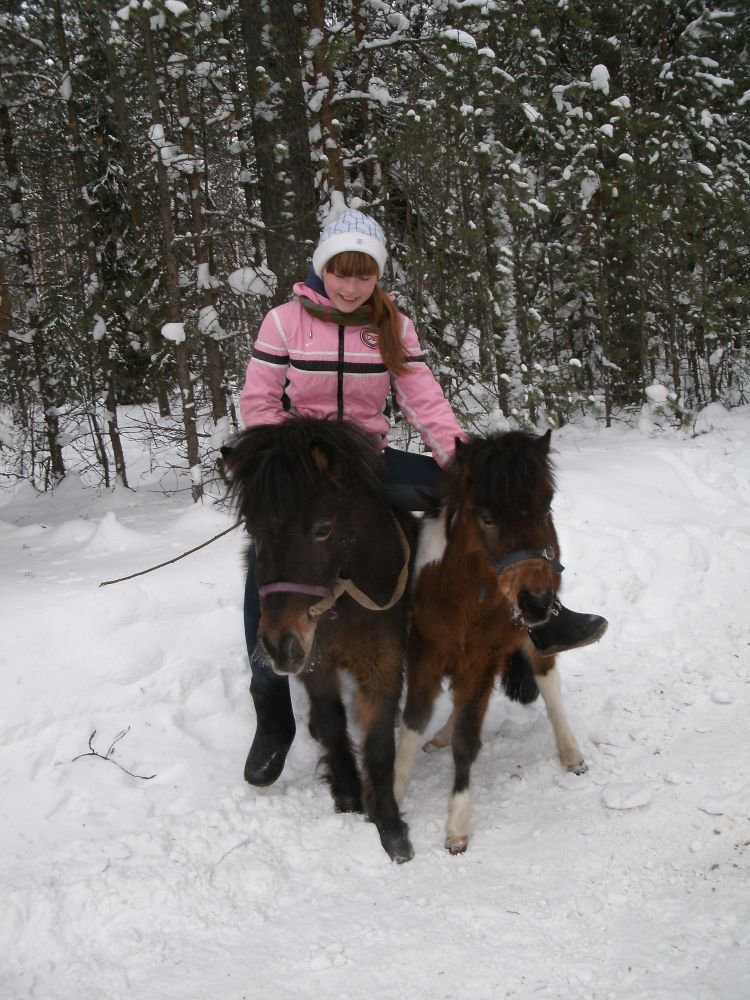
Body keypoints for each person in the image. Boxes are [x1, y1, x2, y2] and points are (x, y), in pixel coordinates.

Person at [238, 208, 607, 787]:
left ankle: (535, 618)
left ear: (377, 277)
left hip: (367, 462)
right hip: (302, 467)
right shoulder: (283, 323)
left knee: (484, 503)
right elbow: (258, 403)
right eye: (341, 272)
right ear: (322, 269)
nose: (351, 286)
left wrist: (465, 468)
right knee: (272, 564)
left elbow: (424, 401)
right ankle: (272, 713)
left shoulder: (392, 327)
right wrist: (292, 457)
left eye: (364, 275)